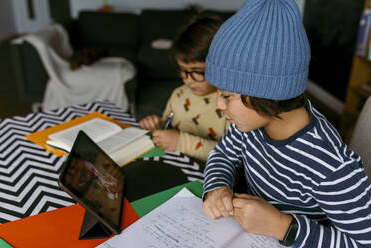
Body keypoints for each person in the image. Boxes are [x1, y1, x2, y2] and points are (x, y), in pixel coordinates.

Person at [202, 0, 371, 247]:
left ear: (267, 93)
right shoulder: (247, 125)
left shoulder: (332, 167)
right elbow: (223, 155)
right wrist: (217, 187)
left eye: (227, 95)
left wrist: (283, 226)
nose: (218, 105)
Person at [139, 15, 229, 162]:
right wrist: (157, 125)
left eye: (197, 72)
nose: (187, 79)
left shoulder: (232, 104)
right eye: (183, 70)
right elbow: (167, 125)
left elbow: (235, 158)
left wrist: (181, 143)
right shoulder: (179, 94)